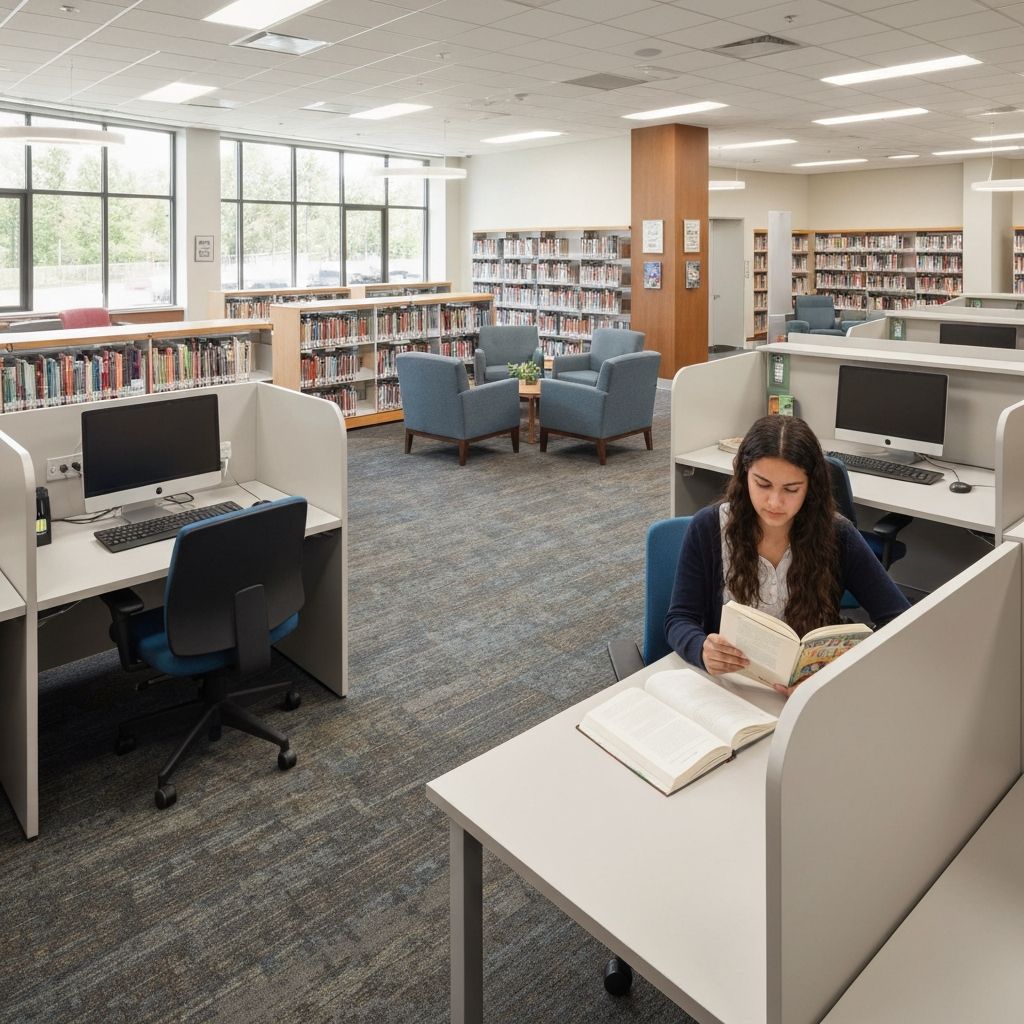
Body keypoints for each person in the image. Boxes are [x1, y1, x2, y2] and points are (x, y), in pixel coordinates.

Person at [665, 415, 910, 695]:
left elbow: (900, 620)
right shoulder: (708, 527)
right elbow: (679, 619)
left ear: (810, 486)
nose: (774, 503)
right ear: (744, 476)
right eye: (763, 484)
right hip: (728, 690)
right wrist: (701, 648)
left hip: (808, 694)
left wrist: (835, 670)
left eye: (791, 489)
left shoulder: (837, 534)